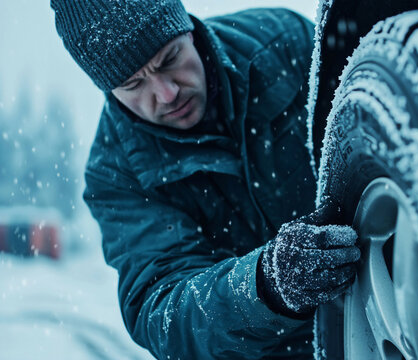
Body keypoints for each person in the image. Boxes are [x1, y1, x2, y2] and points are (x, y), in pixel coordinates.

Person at [50, 1, 361, 358]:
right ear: (109, 90)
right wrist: (265, 285)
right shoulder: (116, 175)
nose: (167, 94)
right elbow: (163, 312)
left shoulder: (282, 42)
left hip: (386, 304)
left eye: (169, 59)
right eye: (134, 83)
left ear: (186, 29)